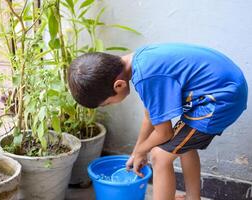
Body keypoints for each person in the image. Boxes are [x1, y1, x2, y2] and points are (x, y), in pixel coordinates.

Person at [68, 43, 248, 200]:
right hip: (222, 89)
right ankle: (193, 198)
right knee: (183, 145)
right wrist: (137, 151)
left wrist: (143, 151)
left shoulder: (147, 77)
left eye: (107, 103)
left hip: (221, 99)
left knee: (159, 156)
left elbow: (164, 133)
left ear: (119, 85)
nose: (110, 105)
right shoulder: (141, 61)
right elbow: (150, 117)